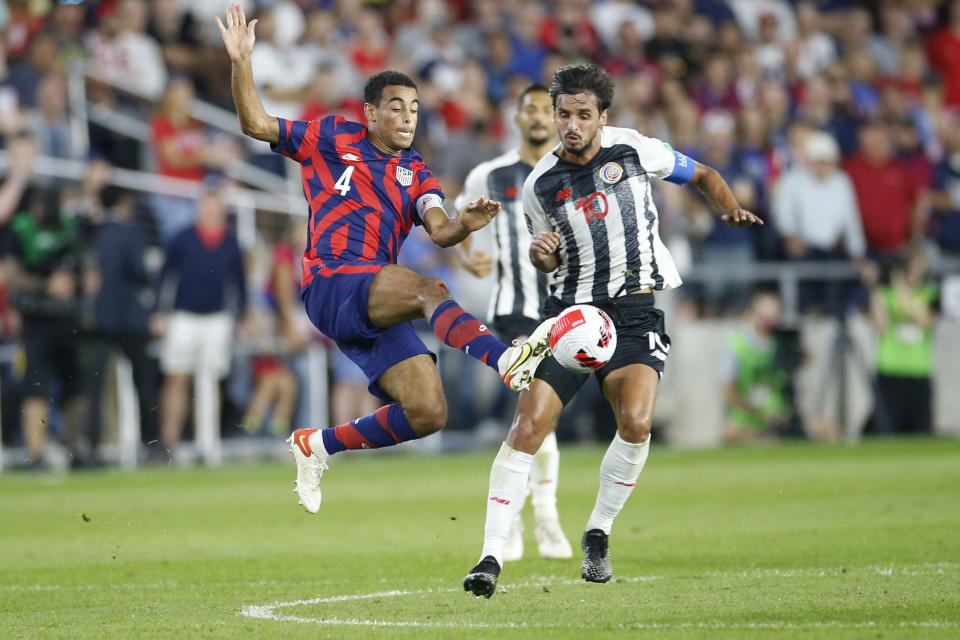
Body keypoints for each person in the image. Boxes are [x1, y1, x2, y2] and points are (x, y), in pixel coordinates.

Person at [215, 4, 553, 514]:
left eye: (414, 110)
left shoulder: (418, 172)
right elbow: (256, 124)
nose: (407, 118)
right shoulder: (331, 136)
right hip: (333, 280)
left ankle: (316, 446)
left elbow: (439, 229)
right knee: (430, 290)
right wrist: (242, 62)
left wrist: (464, 222)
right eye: (396, 107)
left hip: (374, 295)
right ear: (371, 112)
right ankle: (506, 361)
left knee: (427, 411)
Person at [462, 64, 763, 598]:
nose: (571, 125)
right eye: (563, 115)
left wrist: (730, 209)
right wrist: (540, 253)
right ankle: (489, 556)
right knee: (528, 427)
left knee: (638, 422)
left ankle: (597, 532)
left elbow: (704, 175)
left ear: (604, 116)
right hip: (573, 317)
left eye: (582, 115)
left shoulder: (635, 149)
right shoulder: (539, 185)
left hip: (633, 313)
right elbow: (542, 254)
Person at [455, 84, 572, 562]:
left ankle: (532, 518)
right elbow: (456, 221)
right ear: (518, 118)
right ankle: (542, 517)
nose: (541, 117)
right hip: (515, 311)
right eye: (533, 110)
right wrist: (468, 257)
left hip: (567, 308)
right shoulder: (490, 174)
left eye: (549, 109)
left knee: (542, 418)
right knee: (536, 414)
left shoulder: (572, 171)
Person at [153, 189, 247, 455]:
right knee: (177, 377)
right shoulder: (182, 238)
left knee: (211, 379)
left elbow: (239, 285)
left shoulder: (230, 242)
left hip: (217, 318)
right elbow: (164, 277)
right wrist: (159, 312)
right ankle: (168, 442)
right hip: (184, 315)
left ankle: (208, 441)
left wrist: (242, 316)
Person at [867, 250, 937, 435]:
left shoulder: (928, 292)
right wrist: (876, 285)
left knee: (920, 432)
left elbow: (923, 319)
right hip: (890, 368)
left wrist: (901, 287)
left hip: (918, 369)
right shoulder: (885, 294)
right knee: (888, 430)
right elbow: (880, 325)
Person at [719, 290, 791, 443]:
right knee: (732, 432)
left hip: (778, 414)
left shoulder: (782, 342)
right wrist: (755, 412)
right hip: (747, 416)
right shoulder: (737, 343)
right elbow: (728, 389)